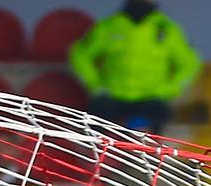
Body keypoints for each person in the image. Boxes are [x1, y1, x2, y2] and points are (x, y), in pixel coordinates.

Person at [69, 1, 202, 134]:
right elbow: (80, 55)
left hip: (151, 99)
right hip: (112, 97)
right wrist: (96, 84)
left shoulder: (167, 29)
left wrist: (168, 89)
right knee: (93, 131)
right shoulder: (109, 26)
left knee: (152, 131)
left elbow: (189, 63)